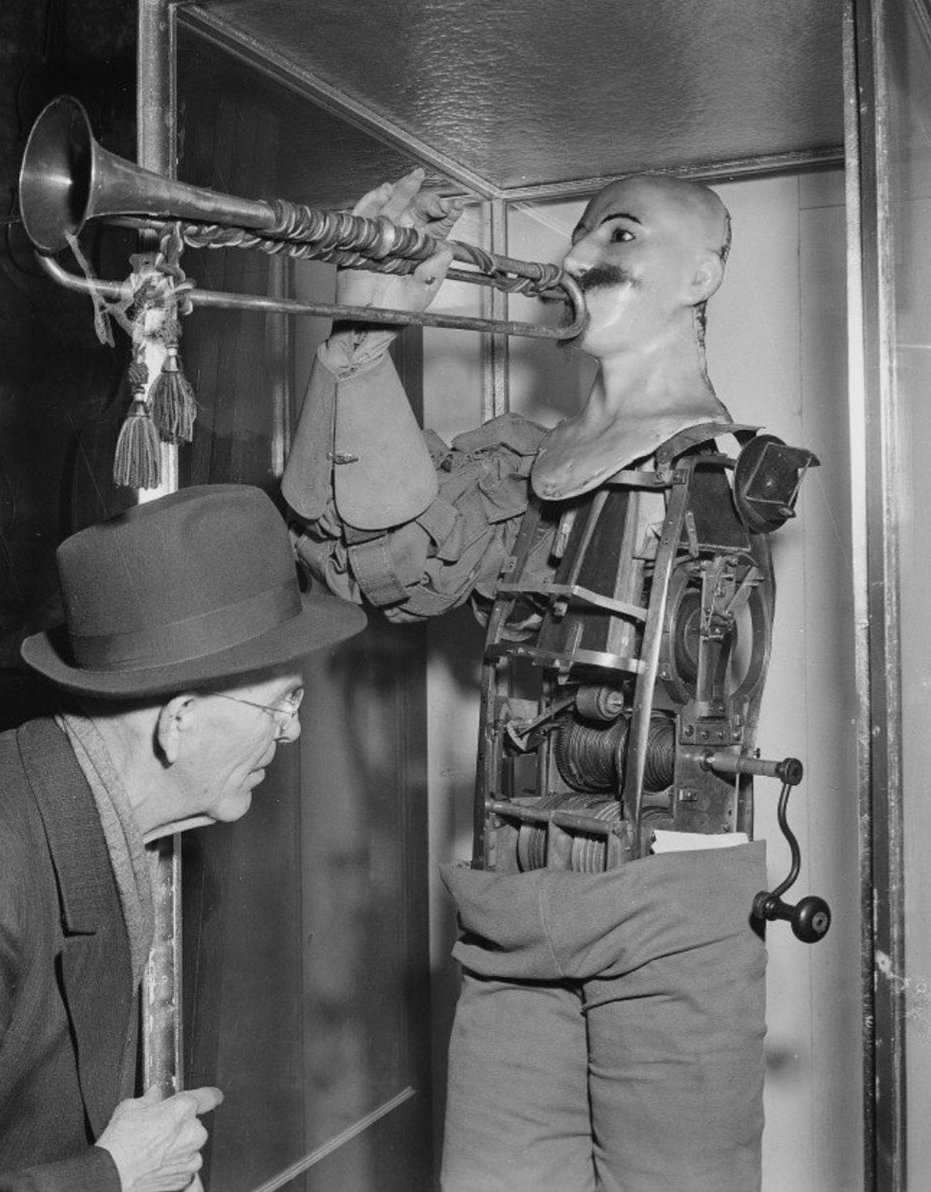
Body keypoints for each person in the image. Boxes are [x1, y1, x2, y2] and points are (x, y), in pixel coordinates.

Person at [282, 171, 780, 1192]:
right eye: (582, 234)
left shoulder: (725, 471)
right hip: (513, 906)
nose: (582, 255)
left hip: (666, 919)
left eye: (623, 234)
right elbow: (377, 554)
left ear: (703, 275)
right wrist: (364, 336)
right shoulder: (527, 465)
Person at [0, 484, 365, 1192]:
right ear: (181, 721)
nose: (291, 730)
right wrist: (111, 1175)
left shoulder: (97, 821)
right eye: (282, 702)